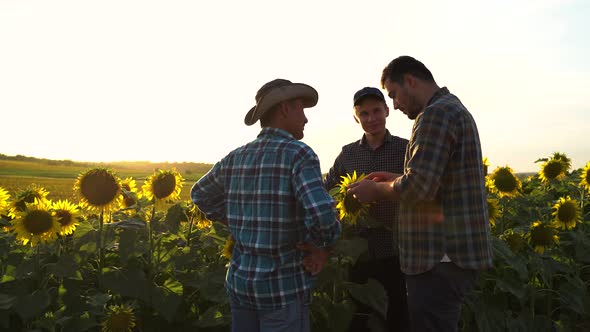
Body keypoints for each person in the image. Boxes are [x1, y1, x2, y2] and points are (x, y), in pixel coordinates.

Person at [348, 56, 493, 332]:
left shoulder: (435, 114)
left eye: (394, 95)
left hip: (438, 256)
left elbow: (418, 187)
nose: (396, 105)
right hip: (450, 255)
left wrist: (375, 189)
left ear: (411, 81)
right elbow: (436, 180)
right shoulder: (452, 108)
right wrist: (395, 179)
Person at [191, 78, 341, 332]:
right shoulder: (299, 154)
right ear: (285, 109)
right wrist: (322, 245)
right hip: (282, 288)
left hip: (240, 285)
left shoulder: (236, 156)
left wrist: (235, 219)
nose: (306, 119)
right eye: (301, 110)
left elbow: (200, 193)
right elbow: (322, 213)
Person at [324, 86, 409, 331]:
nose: (371, 119)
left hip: (396, 248)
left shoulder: (405, 149)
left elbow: (417, 189)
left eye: (376, 111)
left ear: (386, 111)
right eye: (364, 114)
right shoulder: (348, 154)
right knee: (359, 318)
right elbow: (327, 190)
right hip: (355, 252)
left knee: (398, 315)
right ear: (356, 117)